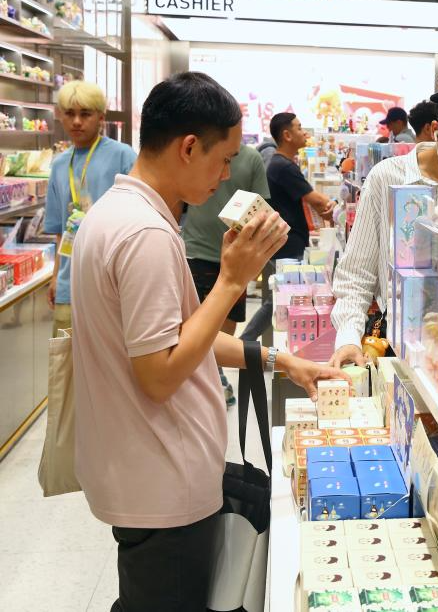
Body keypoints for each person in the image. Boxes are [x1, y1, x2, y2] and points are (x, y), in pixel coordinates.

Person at [70, 71, 347, 612]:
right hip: (160, 483)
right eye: (223, 160)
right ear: (188, 147)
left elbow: (178, 337)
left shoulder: (120, 213)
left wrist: (279, 359)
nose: (225, 177)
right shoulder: (145, 235)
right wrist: (231, 281)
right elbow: (159, 374)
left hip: (144, 473)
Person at [329, 106, 438, 367]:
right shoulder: (386, 177)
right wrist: (349, 338)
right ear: (436, 131)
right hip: (398, 346)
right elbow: (356, 274)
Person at [43, 80, 136, 336]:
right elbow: (60, 230)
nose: (76, 122)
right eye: (69, 114)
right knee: (65, 356)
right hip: (69, 283)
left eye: (85, 114)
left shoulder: (123, 156)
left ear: (101, 117)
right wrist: (55, 277)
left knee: (112, 357)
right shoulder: (59, 164)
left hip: (113, 282)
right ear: (60, 116)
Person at [182, 142, 271, 406]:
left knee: (228, 318)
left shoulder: (252, 159)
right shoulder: (198, 151)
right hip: (197, 249)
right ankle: (208, 373)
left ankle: (214, 369)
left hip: (236, 255)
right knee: (196, 317)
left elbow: (262, 208)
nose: (225, 173)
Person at [265, 112, 337, 261]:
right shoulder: (283, 167)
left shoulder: (281, 163)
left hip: (285, 242)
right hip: (288, 245)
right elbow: (318, 201)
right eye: (299, 128)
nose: (304, 132)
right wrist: (335, 207)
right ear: (287, 135)